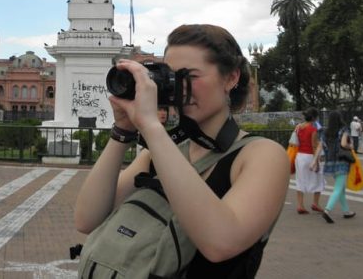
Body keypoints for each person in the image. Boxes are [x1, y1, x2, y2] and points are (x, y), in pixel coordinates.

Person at [75, 24, 289, 277]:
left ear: (231, 78)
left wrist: (152, 127)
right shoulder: (161, 153)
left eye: (191, 76)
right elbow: (87, 220)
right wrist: (123, 130)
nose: (179, 88)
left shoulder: (262, 155)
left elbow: (220, 243)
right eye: (172, 78)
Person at [315, 111, 356, 223]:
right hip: (342, 161)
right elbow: (343, 144)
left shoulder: (325, 132)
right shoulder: (344, 129)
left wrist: (315, 161)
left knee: (340, 188)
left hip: (330, 162)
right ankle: (327, 210)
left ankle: (346, 211)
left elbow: (320, 146)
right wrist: (351, 145)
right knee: (338, 188)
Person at [294, 107, 325, 214]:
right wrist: (317, 162)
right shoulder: (313, 129)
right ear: (314, 118)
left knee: (300, 180)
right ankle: (315, 203)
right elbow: (314, 146)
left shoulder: (298, 127)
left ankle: (300, 205)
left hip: (299, 156)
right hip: (309, 156)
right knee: (319, 179)